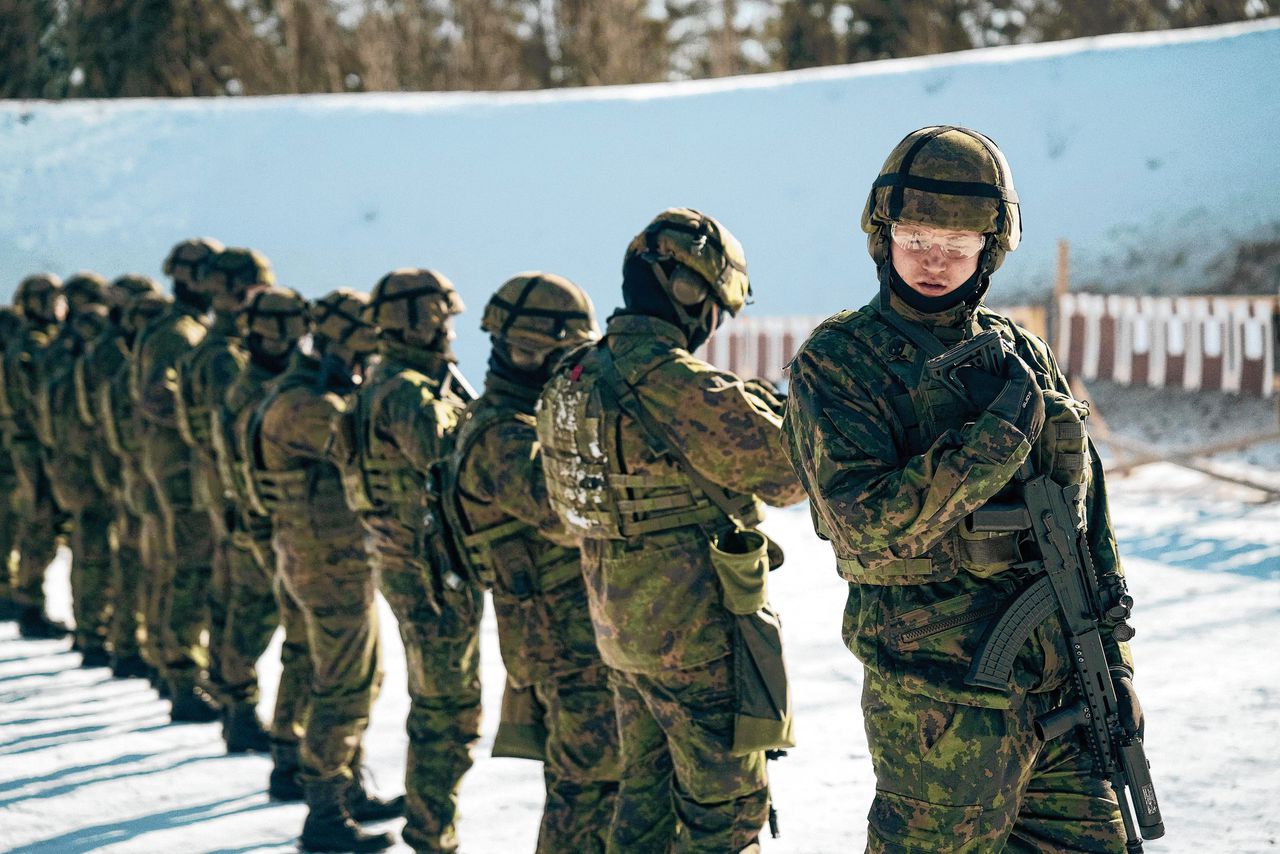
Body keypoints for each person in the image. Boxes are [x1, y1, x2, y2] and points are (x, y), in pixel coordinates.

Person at [781, 125, 1139, 852]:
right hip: (938, 707)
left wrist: (1116, 661)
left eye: (958, 245)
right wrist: (995, 440)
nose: (935, 261)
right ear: (883, 237)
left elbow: (1087, 519)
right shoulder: (841, 361)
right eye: (916, 239)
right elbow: (864, 525)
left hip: (1063, 685)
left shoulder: (1023, 352)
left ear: (991, 249)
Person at [536, 208, 806, 853]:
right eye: (717, 304)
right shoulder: (678, 384)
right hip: (696, 637)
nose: (716, 322)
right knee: (727, 814)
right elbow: (791, 477)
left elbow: (561, 507)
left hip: (620, 629)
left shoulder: (568, 380)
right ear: (689, 293)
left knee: (646, 802)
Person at [446, 273, 619, 852]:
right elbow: (568, 512)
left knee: (602, 788)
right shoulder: (500, 434)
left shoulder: (526, 423)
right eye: (533, 352)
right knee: (586, 790)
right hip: (560, 646)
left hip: (572, 637)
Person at [245, 288, 401, 852]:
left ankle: (344, 790)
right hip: (326, 563)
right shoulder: (306, 406)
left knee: (350, 675)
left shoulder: (309, 394)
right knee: (344, 687)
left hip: (321, 557)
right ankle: (325, 815)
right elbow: (367, 453)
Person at [332, 268, 482, 854]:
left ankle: (429, 828)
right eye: (442, 319)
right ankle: (431, 835)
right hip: (429, 568)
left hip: (412, 560)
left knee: (441, 701)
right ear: (418, 321)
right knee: (448, 710)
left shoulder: (385, 382)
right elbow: (458, 461)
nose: (449, 331)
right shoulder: (407, 393)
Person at [177, 247, 278, 753]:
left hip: (224, 493)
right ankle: (239, 707)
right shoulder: (224, 358)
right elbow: (233, 436)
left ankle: (235, 700)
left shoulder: (216, 349)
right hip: (236, 497)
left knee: (234, 599)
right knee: (250, 603)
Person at [212, 283, 309, 793]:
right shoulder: (254, 390)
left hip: (263, 524)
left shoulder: (265, 384)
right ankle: (252, 718)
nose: (286, 343)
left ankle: (244, 712)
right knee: (268, 625)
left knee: (262, 621)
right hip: (264, 525)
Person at [75, 273, 162, 678]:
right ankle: (124, 642)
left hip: (122, 466)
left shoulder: (121, 348)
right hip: (127, 467)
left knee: (130, 556)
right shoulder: (117, 352)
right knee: (133, 558)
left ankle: (122, 639)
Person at [35, 271, 113, 665]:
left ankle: (91, 628)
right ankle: (92, 631)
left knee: (88, 547)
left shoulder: (59, 348)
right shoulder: (82, 351)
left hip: (70, 460)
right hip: (85, 463)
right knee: (93, 549)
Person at [3, 273, 71, 639]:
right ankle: (29, 601)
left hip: (29, 441)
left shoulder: (27, 341)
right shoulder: (33, 345)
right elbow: (39, 399)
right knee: (39, 520)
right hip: (34, 443)